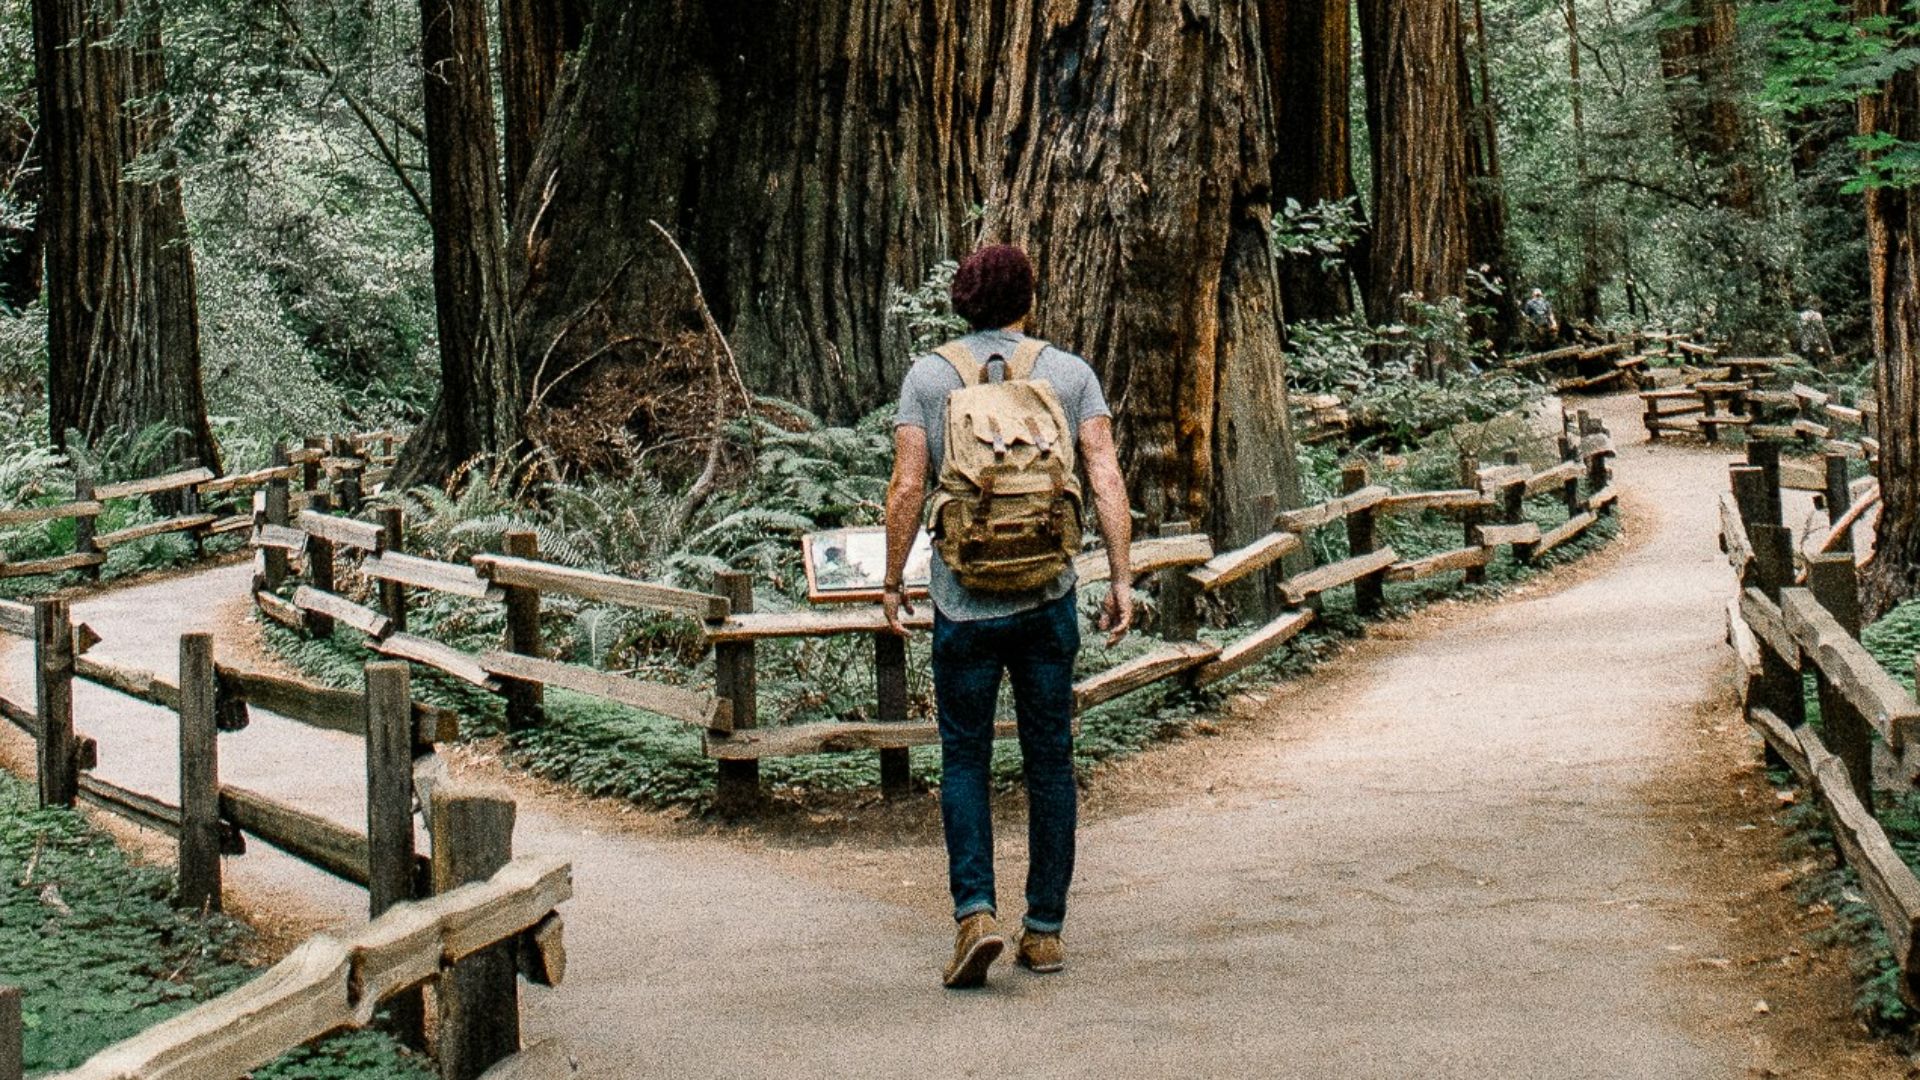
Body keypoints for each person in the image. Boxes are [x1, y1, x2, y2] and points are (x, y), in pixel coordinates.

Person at [882, 243, 1134, 989]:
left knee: (964, 759)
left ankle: (975, 915)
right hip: (1047, 599)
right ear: (1029, 297)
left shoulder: (930, 377)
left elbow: (906, 485)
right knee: (1049, 760)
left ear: (962, 299)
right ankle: (1046, 931)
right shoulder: (1068, 373)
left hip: (963, 603)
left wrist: (893, 581)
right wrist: (1120, 575)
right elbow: (1105, 473)